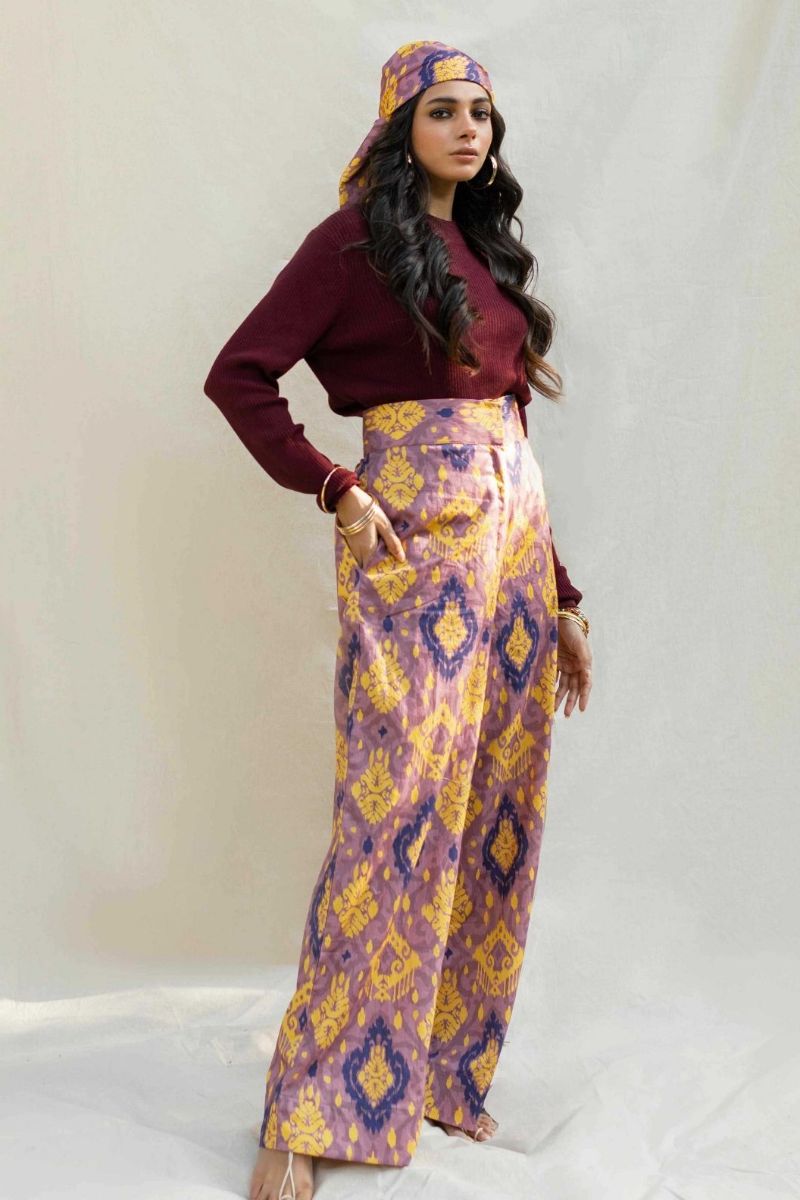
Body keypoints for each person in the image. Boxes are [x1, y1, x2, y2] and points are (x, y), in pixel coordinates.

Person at [203, 39, 593, 1200]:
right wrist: (335, 486)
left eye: (481, 112)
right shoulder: (348, 247)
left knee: (493, 810)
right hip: (416, 544)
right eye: (442, 111)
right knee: (396, 811)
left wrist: (560, 595)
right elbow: (239, 374)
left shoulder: (481, 249)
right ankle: (305, 1108)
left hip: (512, 547)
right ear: (397, 129)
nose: (469, 129)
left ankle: (433, 1074)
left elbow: (509, 428)